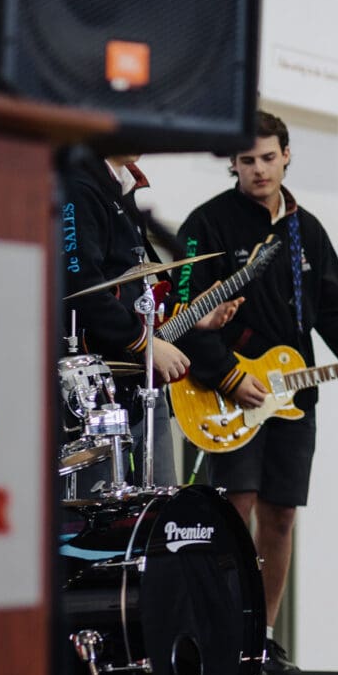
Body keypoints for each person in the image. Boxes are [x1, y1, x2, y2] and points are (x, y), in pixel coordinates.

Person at [175, 111, 338, 675]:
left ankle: (260, 641)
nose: (259, 169)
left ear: (287, 155)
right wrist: (227, 376)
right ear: (232, 164)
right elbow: (181, 317)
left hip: (293, 394)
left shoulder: (305, 229)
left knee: (280, 517)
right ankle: (220, 637)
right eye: (247, 160)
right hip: (226, 391)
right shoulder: (205, 224)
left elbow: (336, 317)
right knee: (233, 512)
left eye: (268, 157)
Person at [62, 150, 238, 490]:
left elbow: (140, 287)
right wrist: (145, 343)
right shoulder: (79, 185)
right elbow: (82, 287)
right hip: (97, 386)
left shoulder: (124, 189)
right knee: (99, 513)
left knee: (158, 511)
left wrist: (187, 317)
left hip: (141, 380)